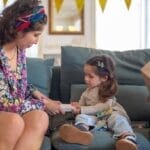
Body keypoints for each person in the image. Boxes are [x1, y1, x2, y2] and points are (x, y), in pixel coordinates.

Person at [0, 0, 63, 149]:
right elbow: (6, 102)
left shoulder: (19, 50)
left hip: (11, 110)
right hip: (7, 111)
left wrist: (37, 94)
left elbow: (15, 85)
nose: (36, 41)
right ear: (20, 30)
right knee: (14, 122)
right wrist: (45, 104)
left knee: (40, 118)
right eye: (35, 35)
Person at [59, 55, 138, 150]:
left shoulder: (107, 90)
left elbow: (104, 107)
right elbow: (81, 106)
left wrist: (82, 109)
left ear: (104, 78)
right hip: (96, 118)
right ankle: (81, 132)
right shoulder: (86, 92)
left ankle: (128, 139)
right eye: (85, 75)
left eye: (90, 76)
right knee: (81, 117)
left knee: (117, 119)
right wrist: (75, 107)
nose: (86, 79)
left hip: (110, 113)